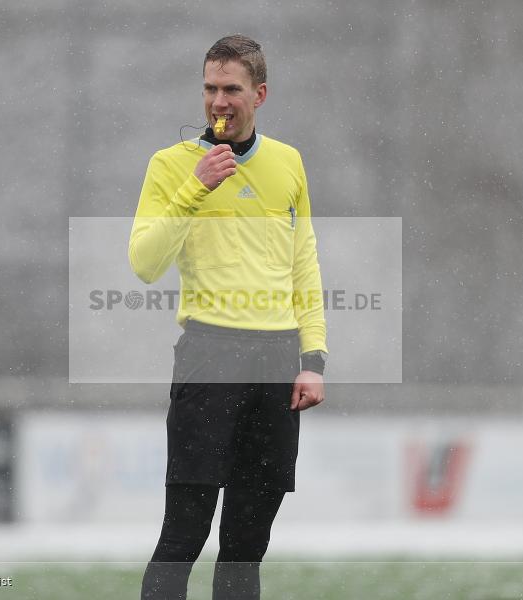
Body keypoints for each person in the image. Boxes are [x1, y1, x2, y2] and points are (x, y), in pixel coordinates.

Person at [129, 34, 328, 600]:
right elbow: (145, 263)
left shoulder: (287, 163)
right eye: (210, 88)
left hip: (277, 360)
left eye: (231, 89)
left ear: (258, 94)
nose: (218, 101)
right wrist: (195, 190)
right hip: (209, 354)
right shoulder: (172, 166)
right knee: (183, 533)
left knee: (246, 542)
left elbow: (304, 264)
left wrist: (312, 357)